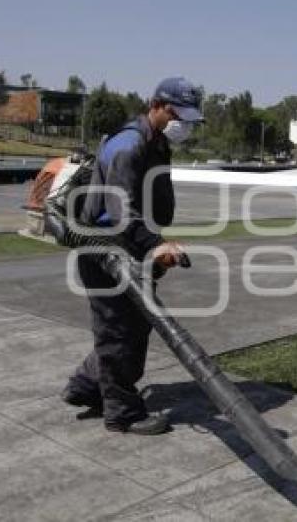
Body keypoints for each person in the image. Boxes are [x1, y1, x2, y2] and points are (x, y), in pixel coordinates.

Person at [61, 77, 203, 435]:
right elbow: (122, 209)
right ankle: (122, 413)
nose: (182, 123)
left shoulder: (154, 142)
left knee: (134, 328)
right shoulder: (129, 145)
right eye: (177, 114)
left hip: (131, 246)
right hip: (106, 248)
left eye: (188, 117)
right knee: (119, 333)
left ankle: (85, 386)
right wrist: (156, 244)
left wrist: (154, 245)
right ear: (155, 105)